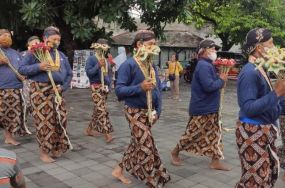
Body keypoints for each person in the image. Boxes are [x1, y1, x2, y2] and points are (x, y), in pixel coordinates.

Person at [112, 30, 170, 187]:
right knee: (146, 146)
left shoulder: (151, 65)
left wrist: (158, 111)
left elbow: (157, 90)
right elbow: (119, 91)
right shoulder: (128, 65)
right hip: (134, 111)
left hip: (149, 112)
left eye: (154, 45)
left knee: (137, 143)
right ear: (139, 45)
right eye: (150, 44)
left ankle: (118, 170)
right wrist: (140, 87)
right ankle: (152, 180)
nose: (154, 48)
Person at [235, 28, 285, 187]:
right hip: (252, 131)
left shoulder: (260, 68)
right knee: (255, 180)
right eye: (271, 43)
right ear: (259, 48)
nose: (274, 47)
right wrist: (276, 93)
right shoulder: (250, 72)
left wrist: (280, 95)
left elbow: (270, 100)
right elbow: (248, 107)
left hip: (263, 130)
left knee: (265, 176)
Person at [170, 39, 231, 171]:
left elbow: (213, 84)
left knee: (215, 135)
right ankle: (175, 152)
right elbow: (209, 86)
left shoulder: (208, 65)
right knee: (192, 134)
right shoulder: (203, 66)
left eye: (215, 49)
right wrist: (221, 80)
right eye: (212, 49)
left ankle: (215, 161)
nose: (215, 51)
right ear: (203, 51)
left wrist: (220, 80)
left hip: (211, 107)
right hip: (203, 108)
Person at [19, 26, 73, 163]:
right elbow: (22, 69)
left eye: (58, 39)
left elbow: (69, 74)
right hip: (40, 92)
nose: (56, 42)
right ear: (45, 39)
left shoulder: (61, 55)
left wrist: (64, 87)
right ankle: (44, 152)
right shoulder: (35, 52)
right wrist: (39, 67)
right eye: (54, 39)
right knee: (45, 122)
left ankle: (55, 147)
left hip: (58, 92)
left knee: (60, 120)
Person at [0, 29, 31, 146]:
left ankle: (9, 136)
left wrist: (24, 75)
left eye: (8, 36)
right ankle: (8, 136)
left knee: (13, 114)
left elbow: (23, 67)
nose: (7, 38)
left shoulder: (15, 53)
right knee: (5, 113)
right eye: (4, 35)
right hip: (2, 88)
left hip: (17, 88)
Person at [85, 38, 113, 143]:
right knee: (102, 110)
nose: (104, 49)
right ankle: (107, 134)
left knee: (98, 109)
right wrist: (98, 66)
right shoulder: (92, 59)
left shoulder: (105, 59)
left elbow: (108, 75)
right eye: (103, 46)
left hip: (104, 88)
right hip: (95, 87)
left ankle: (89, 130)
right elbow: (89, 73)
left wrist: (109, 86)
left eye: (106, 47)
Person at [22, 36, 41, 116]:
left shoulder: (44, 53)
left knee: (38, 103)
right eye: (33, 43)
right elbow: (20, 68)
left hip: (40, 82)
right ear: (28, 45)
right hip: (27, 81)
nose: (36, 44)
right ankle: (23, 121)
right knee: (26, 102)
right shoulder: (23, 54)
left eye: (37, 42)